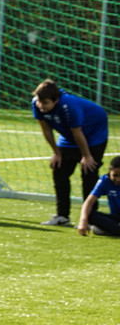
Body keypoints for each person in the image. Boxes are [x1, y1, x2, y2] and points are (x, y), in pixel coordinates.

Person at [32, 79, 109, 226]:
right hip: (69, 134)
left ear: (56, 100)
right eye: (39, 101)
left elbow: (77, 132)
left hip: (93, 134)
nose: (41, 105)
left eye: (45, 102)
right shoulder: (36, 103)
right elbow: (46, 129)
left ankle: (91, 219)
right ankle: (62, 216)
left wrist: (86, 156)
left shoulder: (69, 105)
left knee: (88, 172)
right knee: (59, 169)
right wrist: (57, 152)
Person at [76, 155, 120, 237]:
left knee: (99, 228)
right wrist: (83, 221)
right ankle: (112, 229)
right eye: (115, 175)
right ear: (110, 171)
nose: (118, 179)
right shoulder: (104, 181)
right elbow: (88, 202)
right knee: (89, 214)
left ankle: (109, 230)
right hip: (115, 218)